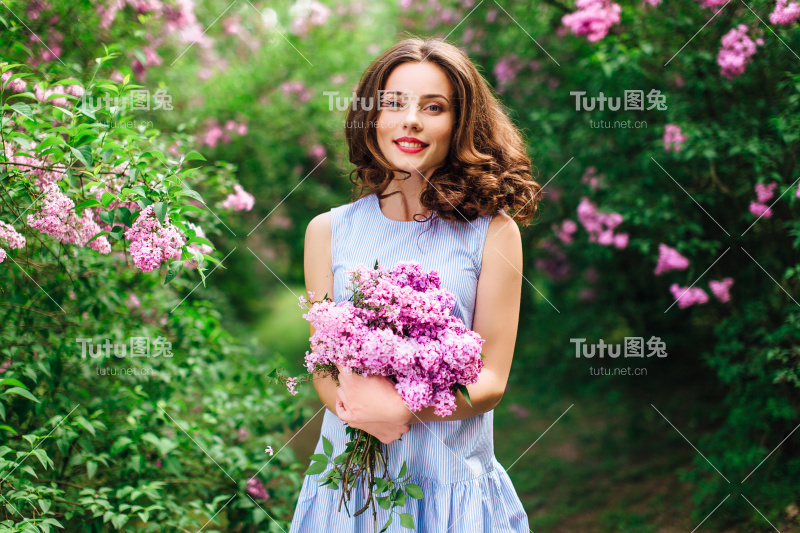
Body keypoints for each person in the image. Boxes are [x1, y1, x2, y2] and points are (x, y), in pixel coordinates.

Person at [292, 36, 541, 532]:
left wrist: (403, 409)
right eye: (395, 103)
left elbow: (490, 382)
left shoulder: (493, 233)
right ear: (372, 117)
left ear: (460, 124)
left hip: (451, 486)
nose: (411, 120)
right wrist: (363, 412)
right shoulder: (328, 231)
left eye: (434, 107)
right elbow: (324, 365)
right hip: (350, 489)